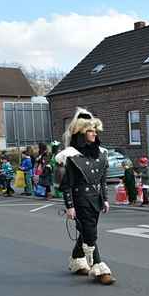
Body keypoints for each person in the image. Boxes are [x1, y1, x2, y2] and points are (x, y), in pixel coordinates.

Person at [56, 107, 115, 285]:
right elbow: (67, 185)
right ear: (81, 133)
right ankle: (99, 267)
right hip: (80, 200)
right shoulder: (71, 156)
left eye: (95, 130)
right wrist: (70, 206)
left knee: (86, 231)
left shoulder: (101, 154)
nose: (94, 133)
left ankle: (76, 259)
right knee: (90, 233)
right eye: (90, 130)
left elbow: (103, 179)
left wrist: (105, 198)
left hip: (96, 199)